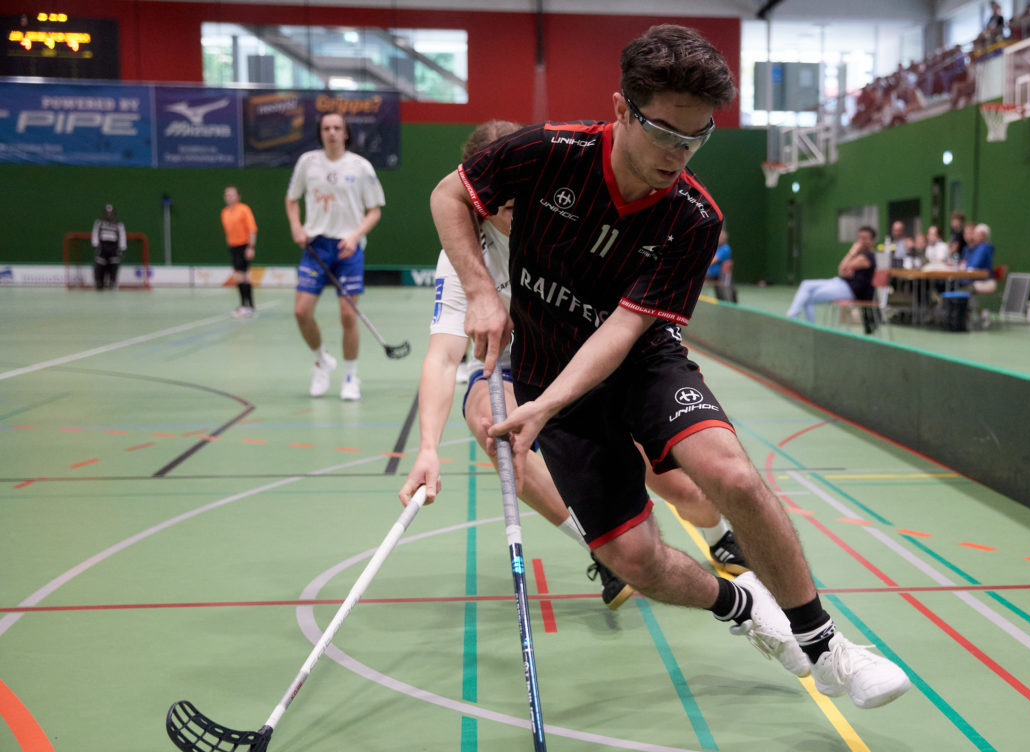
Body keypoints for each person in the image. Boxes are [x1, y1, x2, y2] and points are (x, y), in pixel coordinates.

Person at [418, 24, 911, 710]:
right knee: (633, 559)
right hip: (543, 368)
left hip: (639, 363)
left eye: (697, 138)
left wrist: (543, 405)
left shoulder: (693, 217)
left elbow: (621, 332)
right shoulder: (545, 153)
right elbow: (450, 195)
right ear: (621, 109)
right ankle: (739, 605)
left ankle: (827, 646)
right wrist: (479, 290)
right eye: (665, 134)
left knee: (730, 472)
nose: (679, 155)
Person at [403, 120, 748, 612]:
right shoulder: (465, 250)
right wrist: (428, 449)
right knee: (490, 425)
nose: (513, 212)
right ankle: (598, 543)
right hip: (513, 367)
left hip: (584, 362)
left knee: (686, 491)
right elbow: (442, 356)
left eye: (518, 198)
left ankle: (717, 535)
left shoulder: (566, 216)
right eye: (500, 203)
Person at [286, 112, 386, 401]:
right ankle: (322, 361)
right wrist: (296, 226)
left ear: (346, 133)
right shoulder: (308, 163)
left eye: (337, 128)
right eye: (326, 128)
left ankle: (351, 376)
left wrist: (355, 236)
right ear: (321, 133)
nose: (331, 132)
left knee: (347, 315)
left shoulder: (361, 166)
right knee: (301, 312)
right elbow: (292, 199)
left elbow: (375, 210)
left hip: (348, 248)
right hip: (316, 246)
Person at [786, 226, 879, 334]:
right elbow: (841, 270)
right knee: (806, 284)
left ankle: (805, 325)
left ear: (872, 241)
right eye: (859, 238)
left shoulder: (868, 257)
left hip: (849, 290)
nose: (861, 241)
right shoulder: (859, 255)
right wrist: (849, 264)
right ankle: (793, 317)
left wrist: (852, 251)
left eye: (865, 238)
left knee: (808, 297)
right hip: (839, 282)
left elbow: (843, 267)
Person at [221, 186, 258, 318]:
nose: (229, 197)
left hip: (244, 245)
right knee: (238, 277)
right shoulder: (224, 212)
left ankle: (249, 305)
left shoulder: (244, 210)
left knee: (243, 277)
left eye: (232, 195)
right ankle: (245, 305)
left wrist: (250, 247)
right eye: (227, 195)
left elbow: (252, 229)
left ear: (238, 196)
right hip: (233, 247)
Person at [91, 204, 126, 291]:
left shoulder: (119, 224)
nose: (109, 214)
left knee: (114, 266)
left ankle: (113, 283)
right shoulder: (99, 222)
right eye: (107, 213)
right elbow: (95, 233)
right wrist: (95, 244)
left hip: (114, 247)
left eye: (111, 213)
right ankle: (99, 283)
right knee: (99, 266)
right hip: (102, 247)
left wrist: (122, 247)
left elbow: (122, 235)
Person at [705, 225, 734, 301]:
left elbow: (712, 261)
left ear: (724, 238)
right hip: (709, 273)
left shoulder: (725, 248)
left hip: (718, 275)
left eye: (721, 236)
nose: (719, 238)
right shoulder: (716, 247)